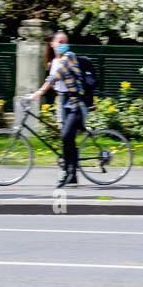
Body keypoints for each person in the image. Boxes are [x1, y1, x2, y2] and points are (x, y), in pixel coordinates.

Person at [29, 31, 85, 187]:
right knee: (67, 140)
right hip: (62, 102)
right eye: (59, 42)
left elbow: (57, 76)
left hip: (75, 102)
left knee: (66, 136)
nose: (63, 44)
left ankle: (70, 171)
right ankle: (71, 174)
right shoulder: (54, 61)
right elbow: (52, 80)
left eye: (65, 41)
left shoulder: (70, 56)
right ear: (52, 44)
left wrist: (40, 91)